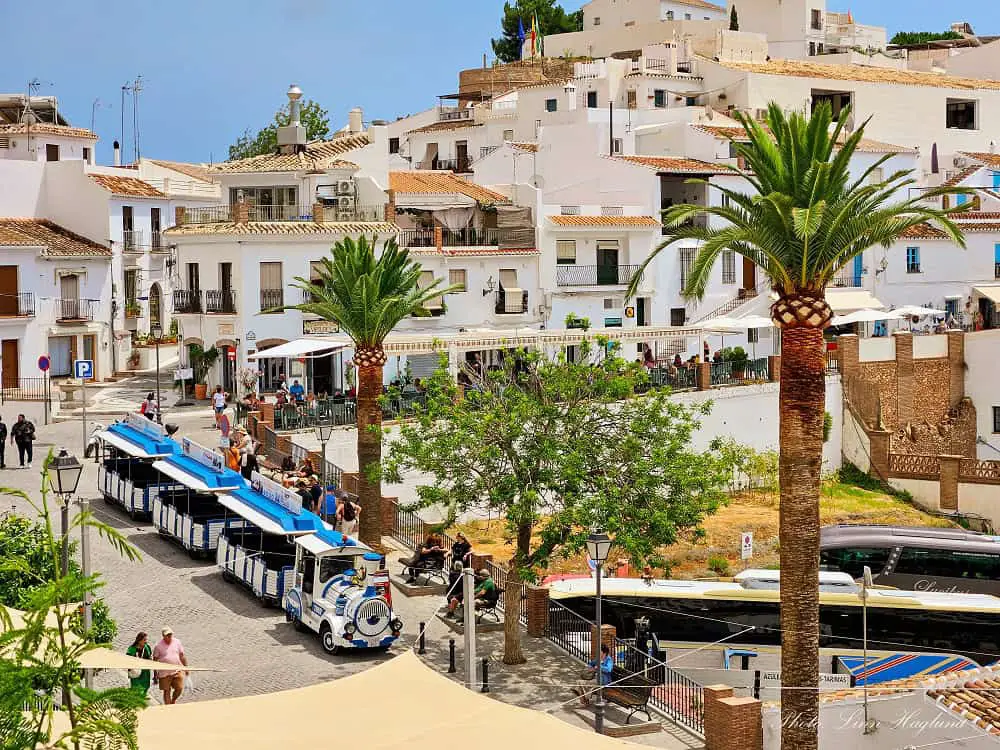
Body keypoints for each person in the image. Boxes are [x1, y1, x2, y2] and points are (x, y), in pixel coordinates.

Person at [152, 627, 188, 705]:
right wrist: (155, 675)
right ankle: (168, 708)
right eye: (167, 635)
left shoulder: (177, 642)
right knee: (167, 690)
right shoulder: (158, 646)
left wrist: (186, 668)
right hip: (164, 673)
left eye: (170, 634)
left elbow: (182, 656)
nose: (169, 636)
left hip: (176, 670)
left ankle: (173, 700)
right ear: (163, 636)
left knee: (179, 688)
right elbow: (154, 660)